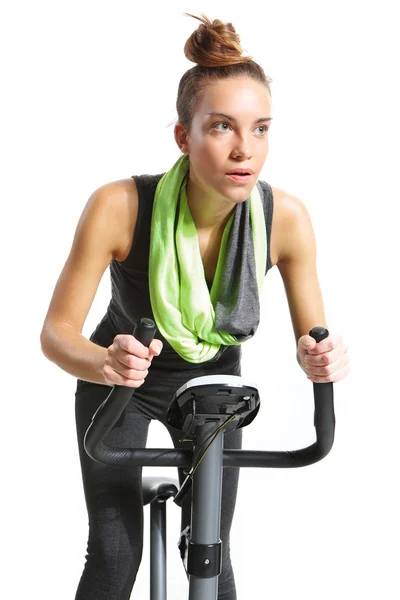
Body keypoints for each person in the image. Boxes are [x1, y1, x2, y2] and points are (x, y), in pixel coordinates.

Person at [40, 12, 350, 600]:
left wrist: (323, 358)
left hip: (212, 389)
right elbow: (55, 333)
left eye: (260, 129)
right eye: (221, 127)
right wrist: (105, 362)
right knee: (114, 552)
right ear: (183, 137)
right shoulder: (119, 205)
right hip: (119, 383)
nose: (245, 150)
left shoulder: (285, 218)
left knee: (208, 551)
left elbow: (315, 338)